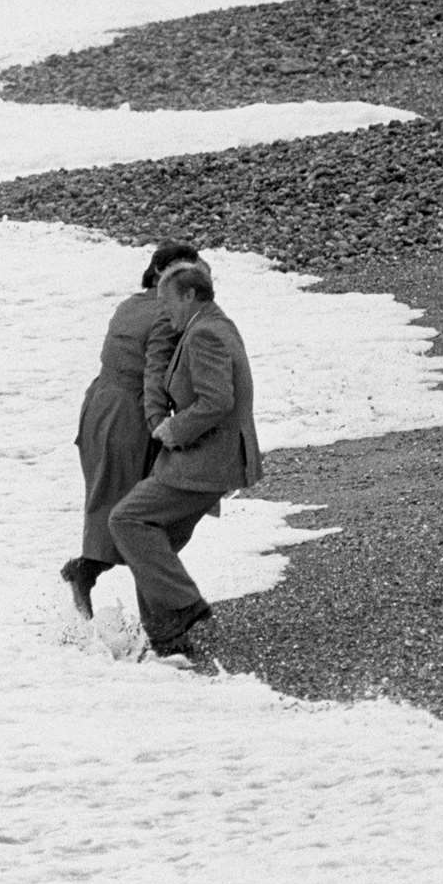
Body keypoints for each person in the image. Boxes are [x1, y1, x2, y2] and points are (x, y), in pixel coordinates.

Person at [109, 261, 261, 658]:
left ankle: (182, 606)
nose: (164, 311)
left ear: (190, 295)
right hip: (214, 458)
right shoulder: (212, 324)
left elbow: (217, 401)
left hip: (206, 461)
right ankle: (166, 640)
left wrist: (174, 431)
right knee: (156, 542)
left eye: (167, 301)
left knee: (127, 520)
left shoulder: (205, 333)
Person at [60, 241, 207, 619]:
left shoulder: (129, 305)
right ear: (162, 273)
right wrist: (166, 425)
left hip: (98, 407)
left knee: (111, 503)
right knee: (144, 516)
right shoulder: (165, 314)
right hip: (129, 414)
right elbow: (155, 377)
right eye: (183, 269)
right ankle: (162, 618)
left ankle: (92, 574)